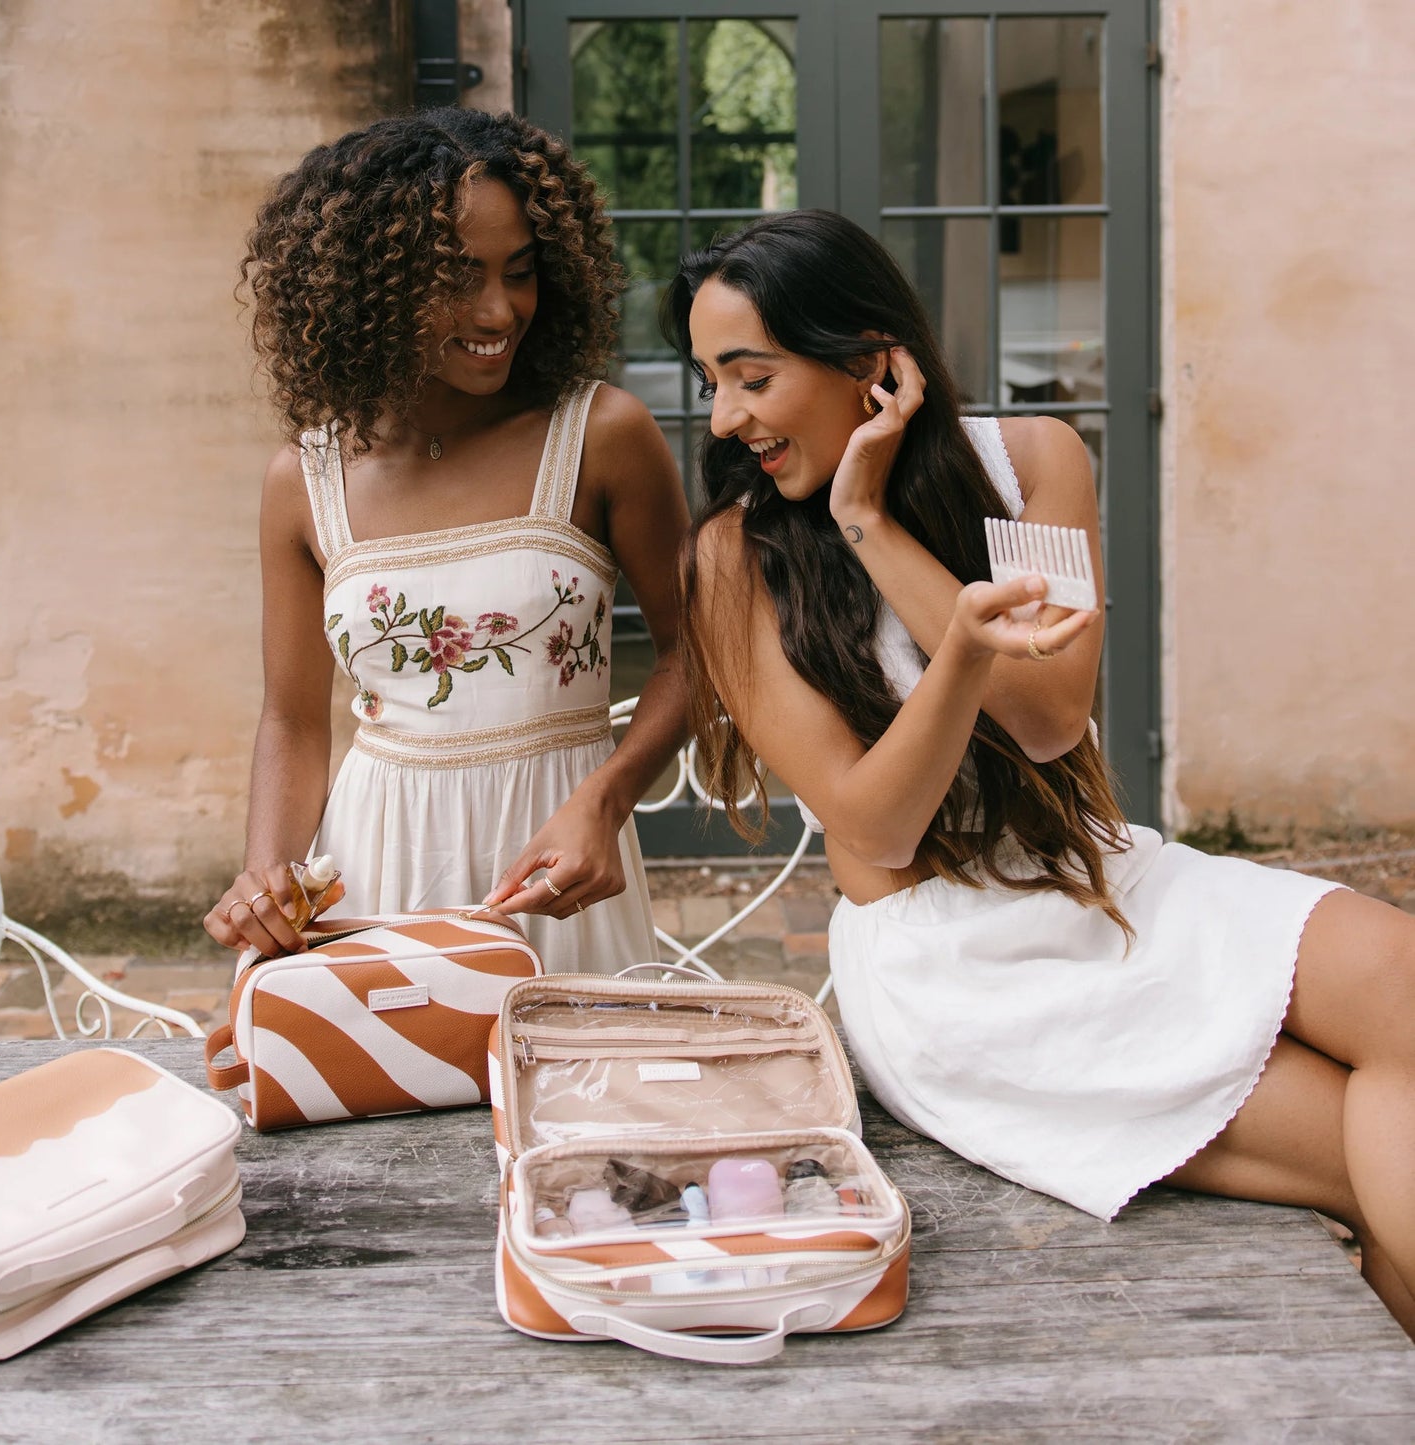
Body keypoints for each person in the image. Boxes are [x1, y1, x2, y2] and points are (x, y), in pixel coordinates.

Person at [661, 209, 1415, 1334]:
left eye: (750, 376)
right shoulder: (732, 558)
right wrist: (958, 648)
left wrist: (868, 520)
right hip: (957, 969)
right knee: (1361, 1158)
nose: (726, 418)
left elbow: (1054, 716)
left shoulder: (1031, 464)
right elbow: (873, 828)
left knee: (1399, 978)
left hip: (1103, 880)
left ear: (869, 362)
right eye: (711, 381)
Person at [203, 107, 688, 974]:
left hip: (551, 866)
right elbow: (292, 717)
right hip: (376, 867)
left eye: (520, 271)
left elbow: (700, 654)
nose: (498, 309)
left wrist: (605, 803)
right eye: (456, 277)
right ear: (369, 286)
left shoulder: (601, 434)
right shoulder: (304, 479)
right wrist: (267, 876)